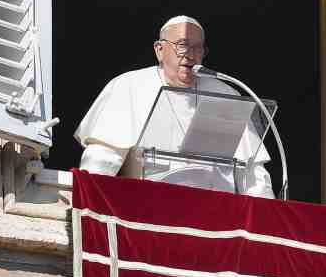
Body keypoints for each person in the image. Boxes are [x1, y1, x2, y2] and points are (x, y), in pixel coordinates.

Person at [74, 15, 274, 198]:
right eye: (182, 45)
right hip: (150, 207)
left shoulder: (226, 93)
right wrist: (90, 200)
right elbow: (102, 159)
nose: (190, 55)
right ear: (159, 50)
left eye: (198, 48)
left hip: (219, 213)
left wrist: (265, 219)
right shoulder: (129, 86)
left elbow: (252, 172)